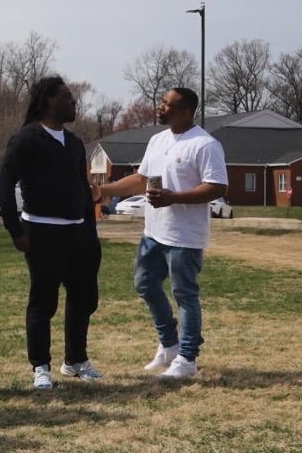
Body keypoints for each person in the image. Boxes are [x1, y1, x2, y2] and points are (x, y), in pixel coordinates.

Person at [93, 87, 227, 379]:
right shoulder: (157, 140)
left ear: (185, 112)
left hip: (184, 237)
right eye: (161, 102)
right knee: (145, 284)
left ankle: (188, 359)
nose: (160, 107)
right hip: (153, 232)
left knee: (184, 295)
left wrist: (173, 197)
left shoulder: (205, 144)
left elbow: (217, 187)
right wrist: (101, 190)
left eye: (167, 104)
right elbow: (141, 180)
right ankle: (169, 345)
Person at [0, 77, 103, 390]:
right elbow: (4, 185)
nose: (75, 103)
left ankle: (75, 360)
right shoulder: (26, 139)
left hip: (78, 234)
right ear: (50, 101)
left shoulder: (73, 143)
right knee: (43, 303)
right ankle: (40, 366)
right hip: (41, 233)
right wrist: (15, 230)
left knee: (82, 299)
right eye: (68, 97)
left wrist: (90, 232)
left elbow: (83, 189)